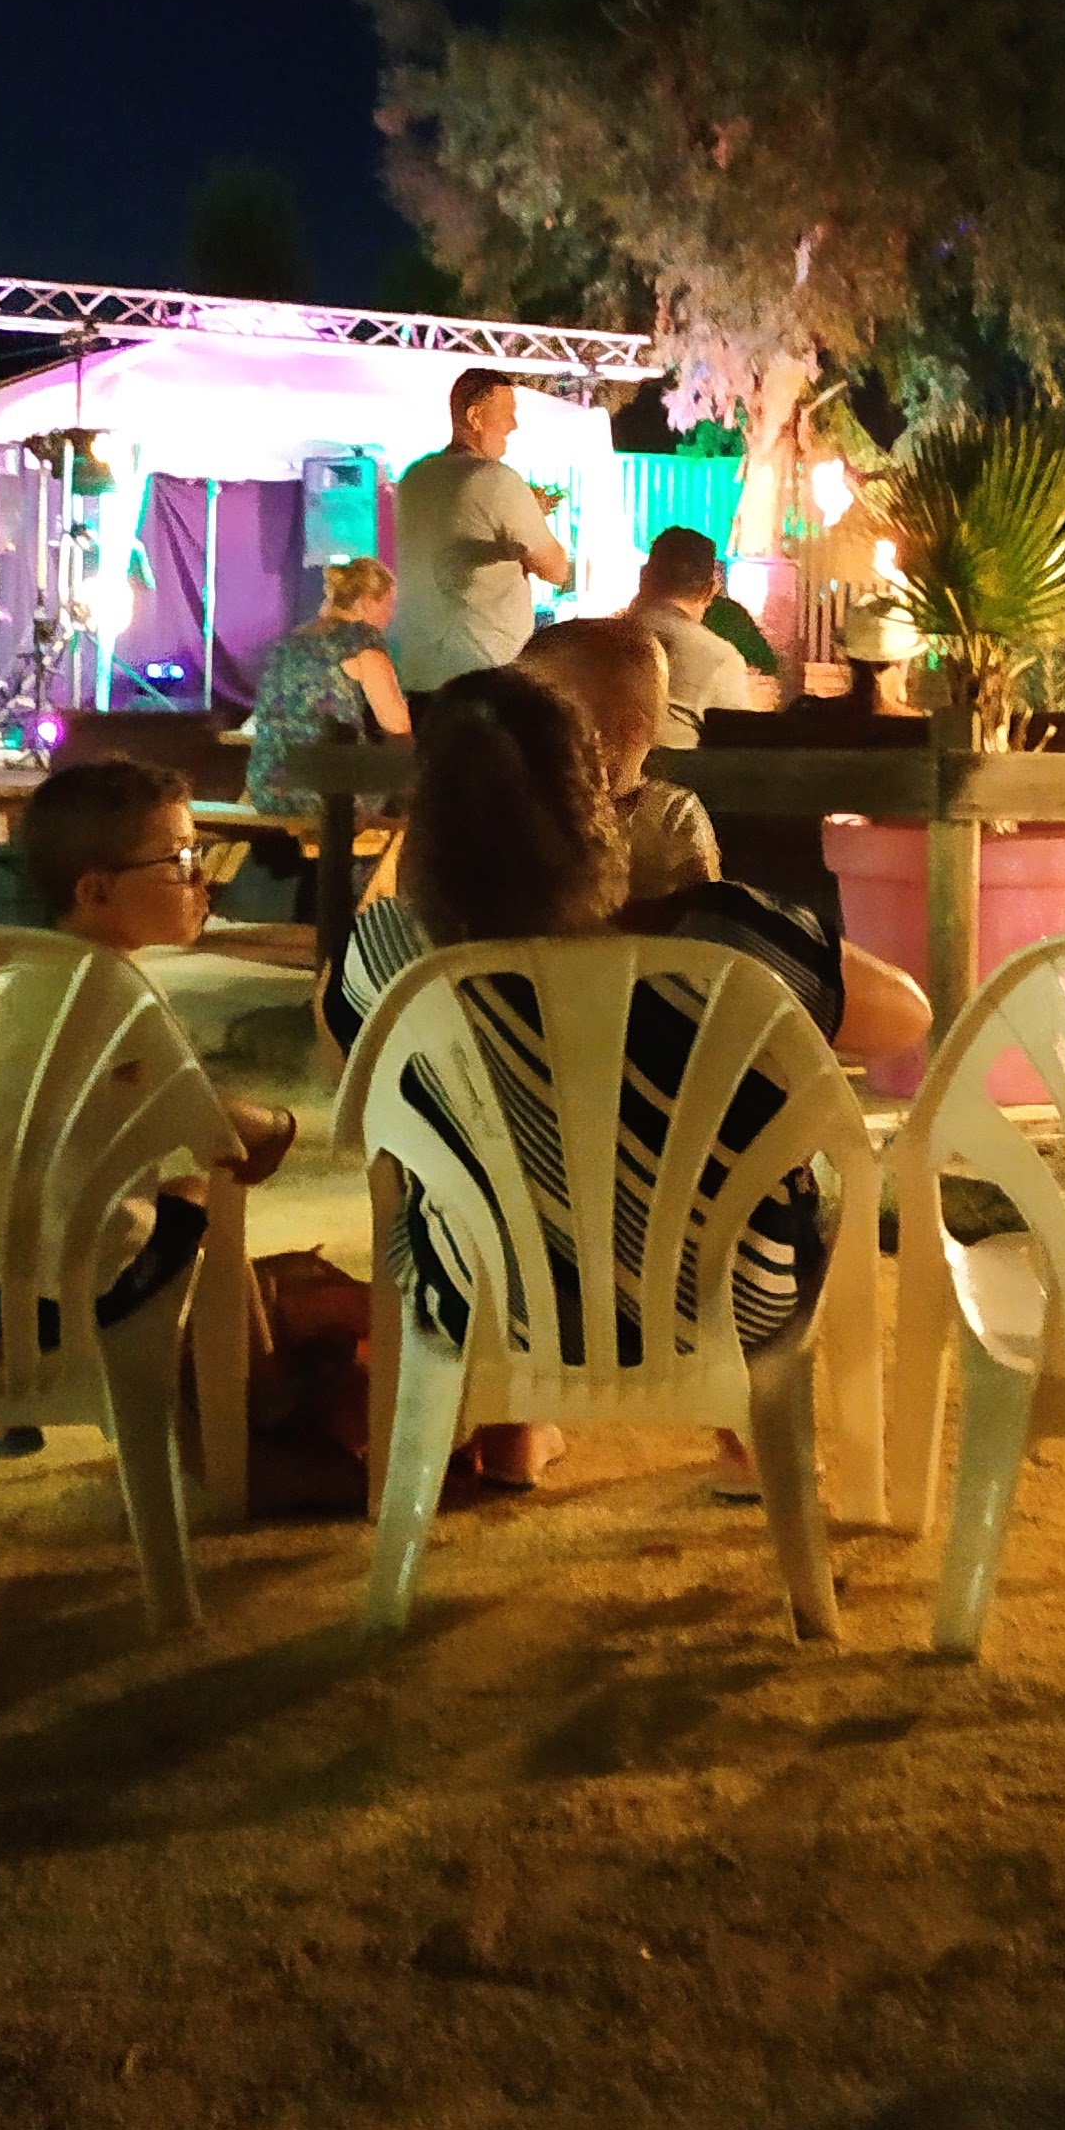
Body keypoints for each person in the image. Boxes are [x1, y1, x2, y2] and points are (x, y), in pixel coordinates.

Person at [323, 665, 929, 1489]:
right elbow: (906, 1017)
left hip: (483, 1299)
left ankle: (514, 1426)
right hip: (726, 1300)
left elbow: (348, 1068)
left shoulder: (387, 955)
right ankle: (752, 1435)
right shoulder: (727, 939)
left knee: (490, 1141)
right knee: (794, 1153)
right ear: (601, 801)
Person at [0, 756, 300, 1462]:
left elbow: (144, 1092)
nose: (202, 881)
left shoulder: (25, 979)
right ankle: (268, 1393)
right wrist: (280, 1128)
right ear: (96, 890)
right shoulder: (117, 994)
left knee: (33, 1198)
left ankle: (0, 1399)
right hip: (78, 1292)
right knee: (207, 1190)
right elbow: (212, 1128)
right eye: (180, 861)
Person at [391, 369, 572, 700]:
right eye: (507, 414)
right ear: (474, 417)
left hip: (417, 671)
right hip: (483, 674)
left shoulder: (414, 477)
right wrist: (532, 513)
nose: (513, 425)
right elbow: (557, 569)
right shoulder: (495, 480)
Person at [519, 613, 719, 898]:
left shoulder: (670, 815)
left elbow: (706, 908)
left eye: (550, 717)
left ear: (630, 730)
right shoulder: (518, 806)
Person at [246, 555, 411, 811]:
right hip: (327, 791)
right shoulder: (362, 641)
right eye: (388, 605)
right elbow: (397, 725)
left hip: (265, 785)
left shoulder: (289, 642)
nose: (390, 616)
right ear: (366, 602)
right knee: (421, 773)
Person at [635, 526, 776, 746]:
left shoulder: (598, 640)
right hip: (676, 768)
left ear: (644, 578)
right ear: (710, 590)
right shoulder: (719, 657)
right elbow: (736, 748)